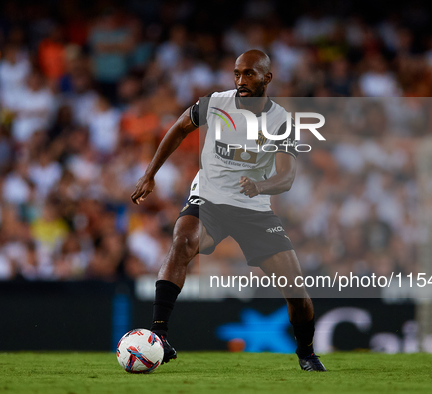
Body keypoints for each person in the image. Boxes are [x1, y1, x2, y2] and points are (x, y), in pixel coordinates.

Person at [131, 50, 326, 372]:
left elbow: (287, 176)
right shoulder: (214, 104)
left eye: (249, 74)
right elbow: (178, 129)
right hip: (208, 198)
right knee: (183, 241)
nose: (240, 81)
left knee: (296, 293)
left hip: (253, 208)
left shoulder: (281, 121)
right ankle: (159, 335)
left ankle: (306, 352)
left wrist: (260, 187)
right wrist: (149, 174)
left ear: (267, 77)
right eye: (237, 74)